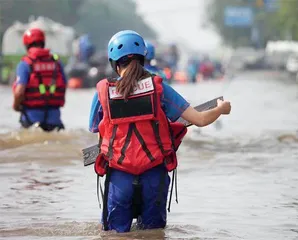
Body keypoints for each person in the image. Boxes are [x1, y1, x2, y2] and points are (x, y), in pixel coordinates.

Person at [88, 30, 231, 233]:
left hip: (119, 178)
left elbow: (94, 127)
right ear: (143, 58)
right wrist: (221, 109)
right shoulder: (158, 88)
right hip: (154, 176)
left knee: (114, 236)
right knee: (153, 235)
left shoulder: (103, 91)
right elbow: (200, 120)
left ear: (114, 62)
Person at [12, 28, 67, 132]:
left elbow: (19, 92)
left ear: (26, 45)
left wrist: (15, 106)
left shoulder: (25, 64)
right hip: (54, 119)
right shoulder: (57, 62)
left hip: (31, 119)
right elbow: (64, 84)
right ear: (43, 42)